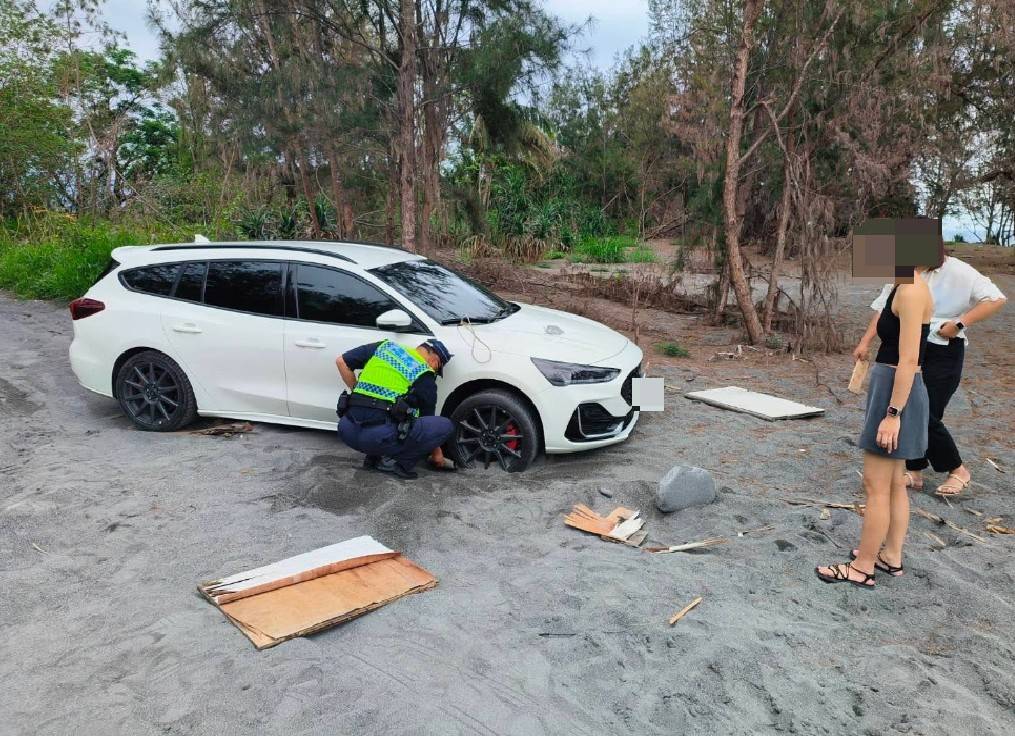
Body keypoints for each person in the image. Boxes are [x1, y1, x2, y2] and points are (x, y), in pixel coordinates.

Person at [816, 264, 934, 588]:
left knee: (876, 485)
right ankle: (890, 555)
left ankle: (862, 566)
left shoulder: (911, 291)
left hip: (897, 392)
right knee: (895, 483)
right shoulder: (902, 285)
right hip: (892, 386)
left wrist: (893, 414)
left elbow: (909, 360)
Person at [853, 255, 1006, 496]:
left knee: (927, 413)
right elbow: (884, 308)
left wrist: (959, 324)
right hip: (910, 343)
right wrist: (865, 341)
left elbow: (996, 298)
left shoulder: (959, 271)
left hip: (944, 349)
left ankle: (957, 469)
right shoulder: (903, 272)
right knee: (912, 409)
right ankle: (914, 470)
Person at [336, 338, 457, 479]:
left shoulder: (384, 347)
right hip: (377, 438)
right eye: (437, 369)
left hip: (346, 430)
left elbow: (341, 361)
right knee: (445, 425)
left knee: (383, 414)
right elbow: (426, 419)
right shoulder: (424, 374)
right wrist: (437, 455)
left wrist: (357, 391)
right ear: (435, 361)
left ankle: (372, 459)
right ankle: (402, 466)